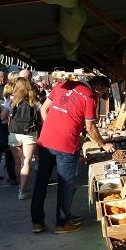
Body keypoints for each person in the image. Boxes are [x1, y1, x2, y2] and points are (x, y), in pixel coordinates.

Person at [31, 75, 115, 234]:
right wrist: (103, 144)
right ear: (96, 87)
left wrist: (53, 126)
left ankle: (37, 222)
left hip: (46, 140)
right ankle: (62, 223)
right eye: (101, 92)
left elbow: (43, 109)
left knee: (41, 181)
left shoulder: (63, 85)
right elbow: (90, 128)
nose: (100, 96)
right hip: (66, 144)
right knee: (66, 184)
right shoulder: (89, 97)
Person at [0, 78, 40, 201]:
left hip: (14, 133)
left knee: (18, 162)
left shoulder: (11, 100)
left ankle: (20, 186)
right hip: (30, 133)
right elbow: (42, 116)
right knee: (26, 161)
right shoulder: (34, 100)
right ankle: (23, 190)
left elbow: (3, 116)